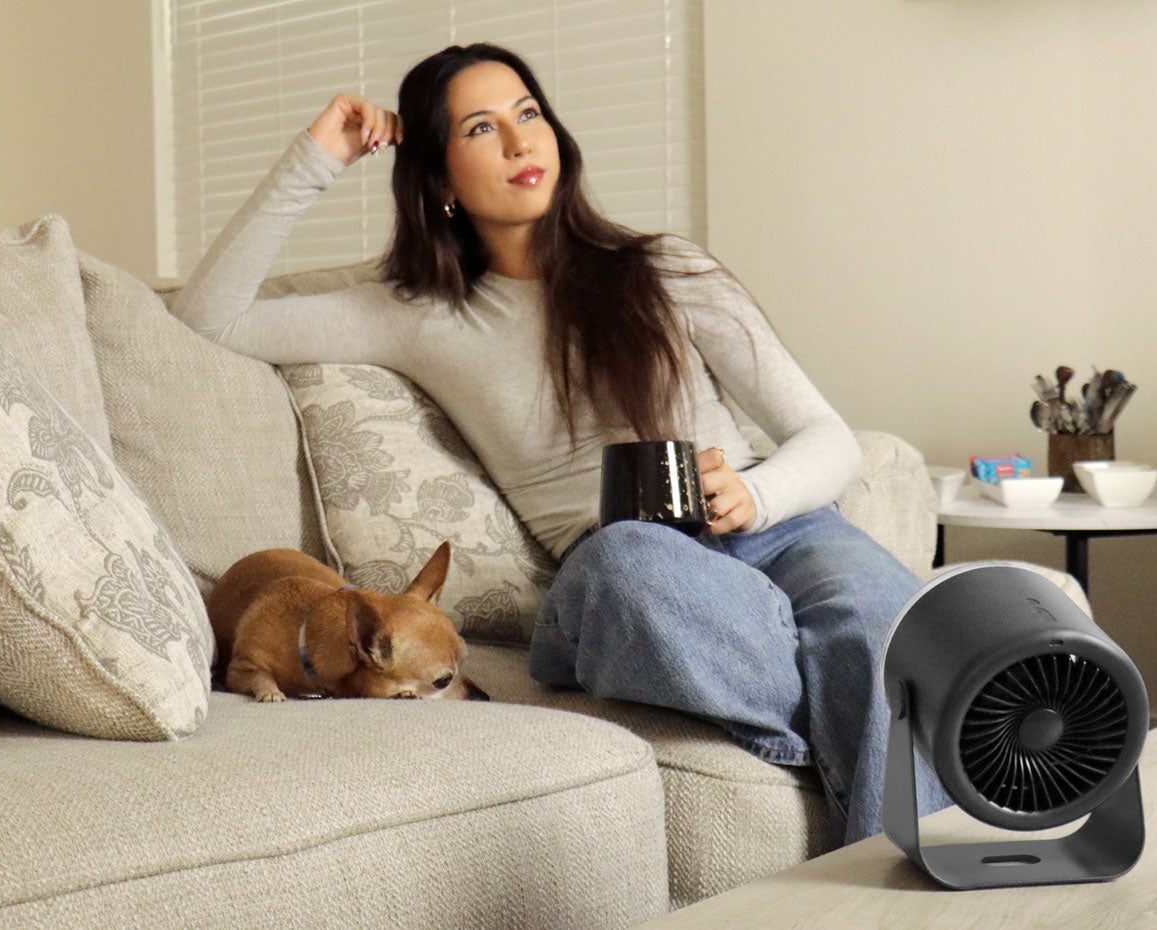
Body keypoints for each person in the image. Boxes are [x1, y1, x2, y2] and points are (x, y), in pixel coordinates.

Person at [168, 43, 950, 846]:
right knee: (633, 567)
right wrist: (318, 157)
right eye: (481, 128)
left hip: (781, 532)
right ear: (438, 178)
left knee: (888, 617)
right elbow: (208, 318)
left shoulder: (667, 269)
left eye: (529, 114)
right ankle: (869, 703)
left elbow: (826, 437)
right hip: (633, 566)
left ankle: (900, 887)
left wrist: (759, 493)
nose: (519, 141)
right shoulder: (419, 314)